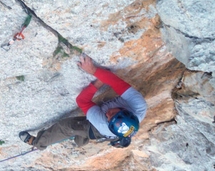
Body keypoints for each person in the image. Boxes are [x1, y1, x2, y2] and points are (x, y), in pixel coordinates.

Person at [19, 54, 147, 149]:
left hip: (98, 129)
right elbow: (116, 82)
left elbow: (82, 101)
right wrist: (93, 70)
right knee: (82, 133)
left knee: (67, 127)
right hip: (113, 130)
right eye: (113, 112)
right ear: (125, 109)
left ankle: (37, 143)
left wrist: (97, 84)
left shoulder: (103, 123)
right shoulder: (138, 106)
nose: (108, 113)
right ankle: (81, 139)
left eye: (109, 117)